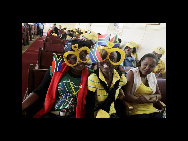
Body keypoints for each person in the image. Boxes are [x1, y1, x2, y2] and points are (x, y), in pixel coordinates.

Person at [22, 39, 91, 118]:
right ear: (68, 58)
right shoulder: (56, 69)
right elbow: (40, 91)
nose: (79, 61)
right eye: (74, 58)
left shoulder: (90, 75)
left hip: (74, 115)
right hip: (52, 113)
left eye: (82, 57)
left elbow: (91, 102)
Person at [85, 42, 127, 118]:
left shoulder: (121, 78)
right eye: (103, 57)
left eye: (112, 59)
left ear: (117, 62)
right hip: (97, 113)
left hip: (112, 112)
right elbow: (89, 103)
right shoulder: (93, 78)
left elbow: (120, 89)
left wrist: (120, 90)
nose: (107, 61)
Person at [123, 53, 162, 118]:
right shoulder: (132, 73)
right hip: (136, 110)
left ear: (155, 67)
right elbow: (127, 95)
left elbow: (159, 95)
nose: (147, 68)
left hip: (152, 110)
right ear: (140, 62)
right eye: (145, 64)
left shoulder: (152, 76)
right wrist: (142, 99)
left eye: (152, 66)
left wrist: (148, 99)